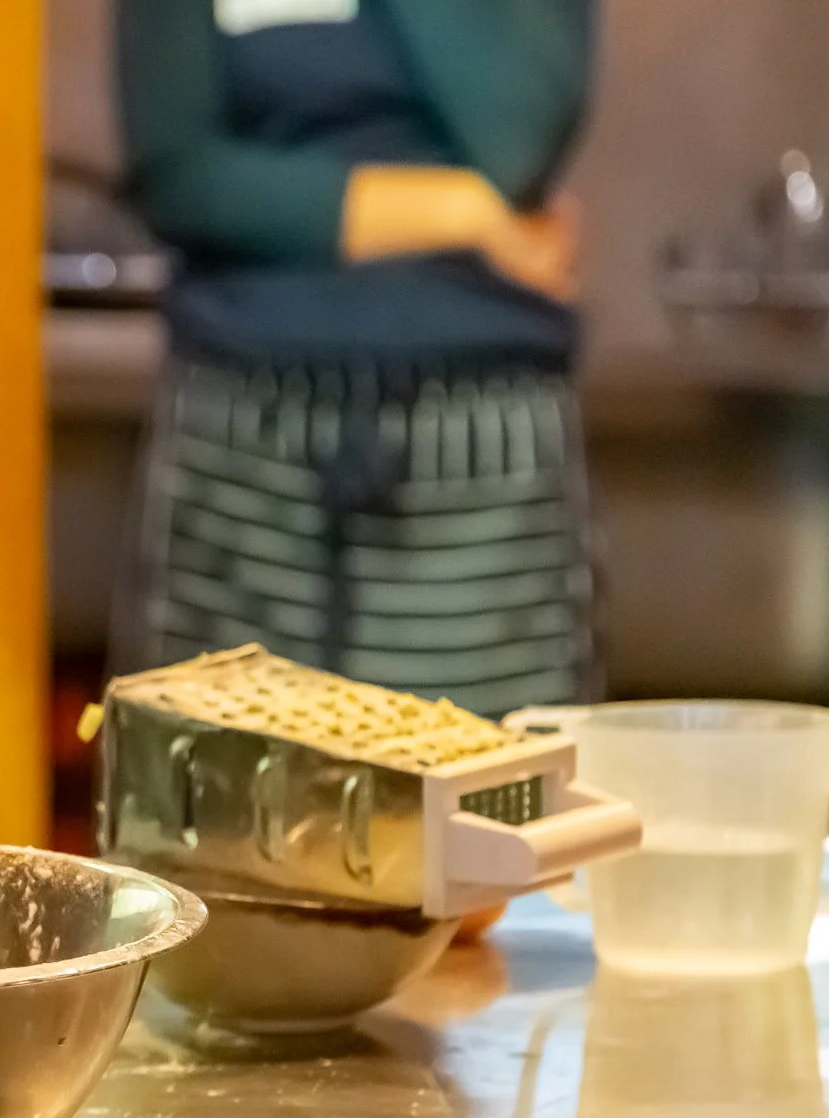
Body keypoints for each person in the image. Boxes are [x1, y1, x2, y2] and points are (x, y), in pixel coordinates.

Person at [113, 0, 600, 716]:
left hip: (479, 460)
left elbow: (515, 136)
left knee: (492, 803)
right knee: (216, 799)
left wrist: (452, 205)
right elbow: (178, 175)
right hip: (242, 443)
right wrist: (456, 212)